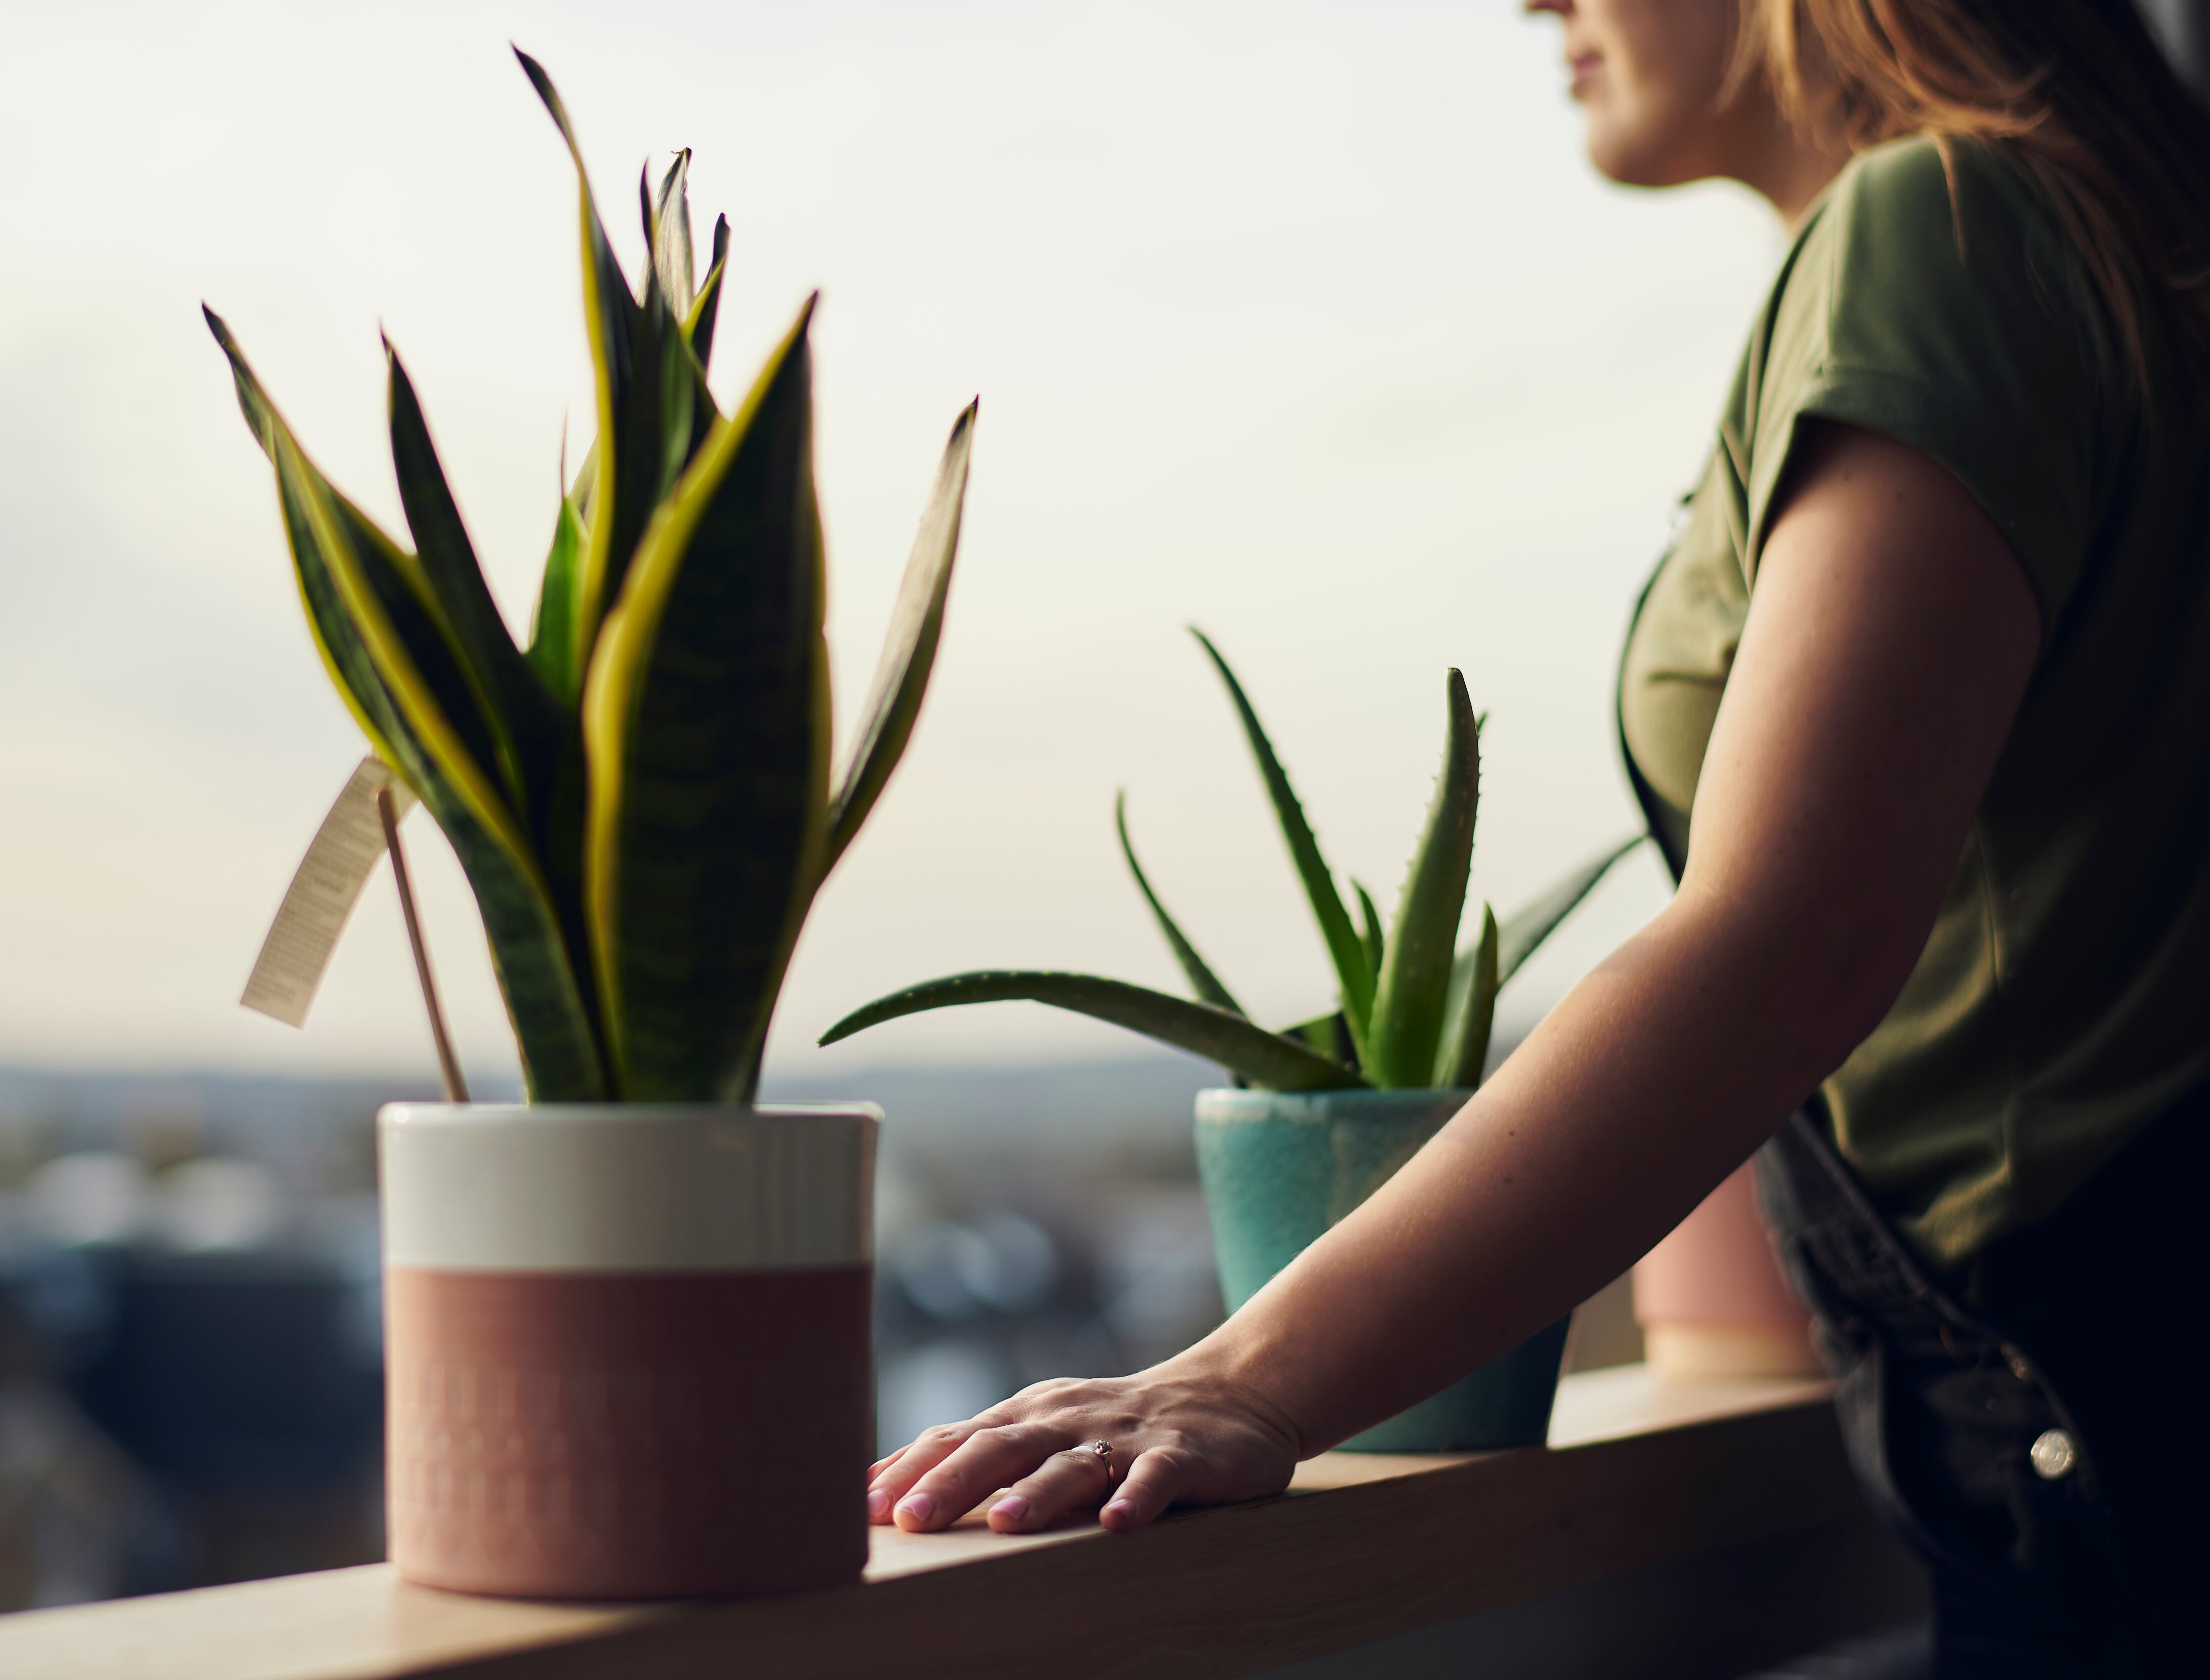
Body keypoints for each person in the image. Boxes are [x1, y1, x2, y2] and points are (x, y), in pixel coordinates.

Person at [863, 3, 2210, 1672]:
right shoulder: (2071, 227)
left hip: (2112, 1452)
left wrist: (1247, 1374)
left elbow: (1795, 935)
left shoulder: (1940, 224)